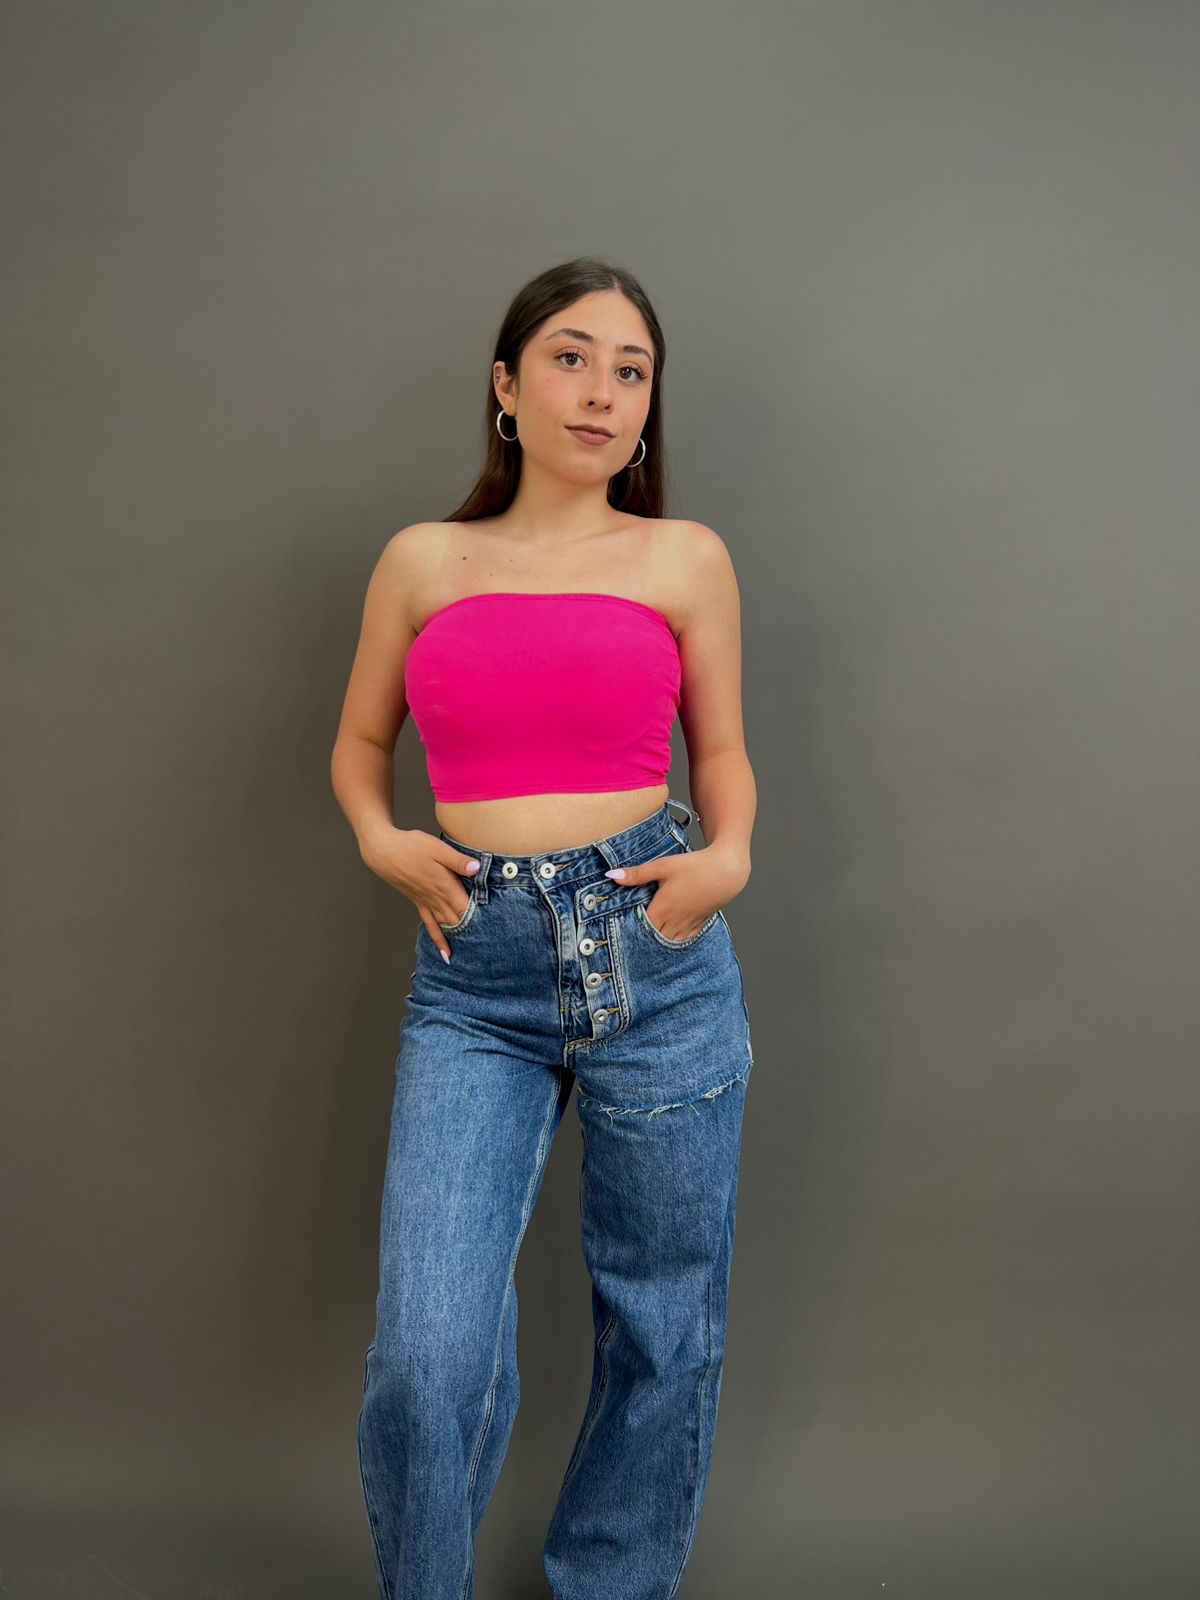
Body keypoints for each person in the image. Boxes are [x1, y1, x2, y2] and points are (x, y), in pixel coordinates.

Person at [330, 256, 757, 1600]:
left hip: (656, 953)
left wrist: (727, 858)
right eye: (572, 357)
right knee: (427, 1351)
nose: (603, 392)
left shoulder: (685, 559)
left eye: (633, 371)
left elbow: (722, 754)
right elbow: (360, 743)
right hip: (479, 973)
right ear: (506, 387)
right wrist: (380, 838)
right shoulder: (424, 560)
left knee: (662, 1325)